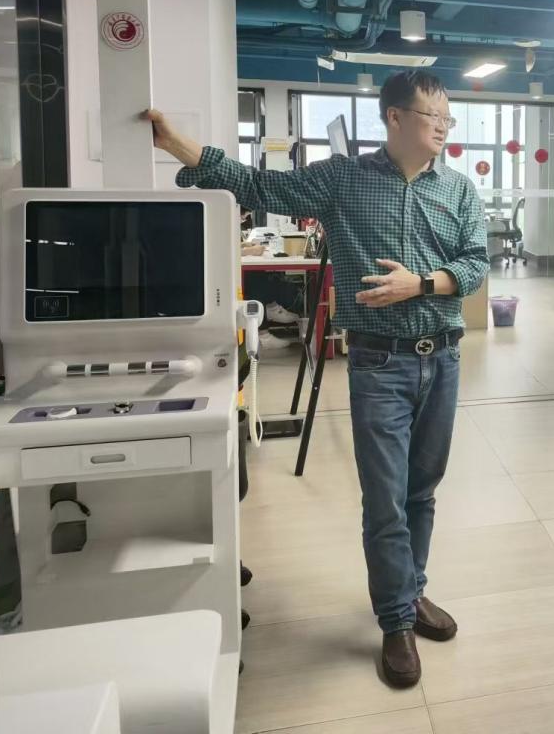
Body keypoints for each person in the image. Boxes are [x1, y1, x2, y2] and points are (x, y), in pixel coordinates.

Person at [145, 70, 488, 691]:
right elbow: (259, 183)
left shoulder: (459, 190)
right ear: (394, 117)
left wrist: (420, 283)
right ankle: (395, 622)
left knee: (423, 491)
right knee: (385, 498)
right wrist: (177, 145)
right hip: (380, 363)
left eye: (448, 118)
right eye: (433, 115)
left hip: (443, 359)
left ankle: (411, 593)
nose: (443, 126)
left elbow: (475, 263)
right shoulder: (343, 179)